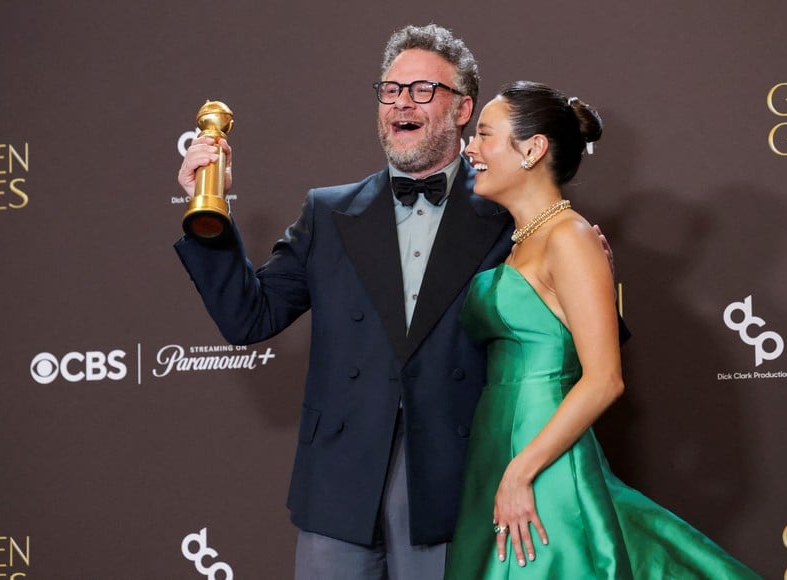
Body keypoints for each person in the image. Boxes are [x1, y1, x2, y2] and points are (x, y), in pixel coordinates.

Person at [175, 25, 621, 580]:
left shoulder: (514, 215)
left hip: (457, 484)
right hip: (338, 486)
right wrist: (210, 223)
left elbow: (575, 346)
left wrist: (594, 269)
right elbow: (249, 316)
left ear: (463, 110)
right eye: (390, 90)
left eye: (421, 90)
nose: (401, 103)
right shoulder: (328, 213)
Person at [443, 81, 758, 579]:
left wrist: (522, 472)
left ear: (533, 149)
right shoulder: (524, 241)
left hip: (540, 459)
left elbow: (604, 378)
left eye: (484, 134)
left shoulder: (569, 237)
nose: (471, 148)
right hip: (501, 453)